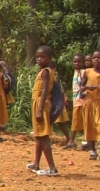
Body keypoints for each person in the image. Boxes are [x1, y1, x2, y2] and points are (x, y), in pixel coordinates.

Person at [28, 46, 61, 176]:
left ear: (49, 58)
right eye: (37, 56)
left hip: (41, 104)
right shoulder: (44, 71)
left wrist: (40, 110)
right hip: (37, 104)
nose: (39, 59)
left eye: (43, 57)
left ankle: (52, 168)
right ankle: (36, 163)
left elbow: (45, 91)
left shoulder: (46, 72)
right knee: (38, 135)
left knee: (43, 137)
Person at [65, 54, 86, 150]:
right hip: (76, 100)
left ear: (83, 63)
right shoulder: (75, 72)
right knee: (78, 121)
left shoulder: (83, 72)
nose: (77, 63)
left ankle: (71, 141)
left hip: (80, 100)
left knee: (76, 121)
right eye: (75, 61)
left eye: (79, 61)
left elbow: (83, 85)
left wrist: (82, 96)